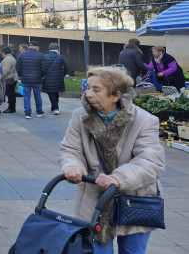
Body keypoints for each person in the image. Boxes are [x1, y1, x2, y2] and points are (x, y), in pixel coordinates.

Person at [59, 67, 165, 253]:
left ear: (116, 95)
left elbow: (151, 162)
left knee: (133, 251)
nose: (88, 94)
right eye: (88, 87)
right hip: (96, 200)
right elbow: (71, 149)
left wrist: (118, 178)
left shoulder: (145, 120)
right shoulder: (80, 116)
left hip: (135, 199)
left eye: (96, 89)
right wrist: (72, 165)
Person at [17, 40, 45, 119]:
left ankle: (27, 113)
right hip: (37, 79)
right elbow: (44, 68)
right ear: (36, 47)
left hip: (25, 79)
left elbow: (18, 67)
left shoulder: (21, 55)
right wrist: (41, 75)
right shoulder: (40, 56)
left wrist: (21, 75)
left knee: (26, 96)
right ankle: (39, 111)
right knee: (38, 96)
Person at [42, 42, 68, 115]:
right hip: (58, 78)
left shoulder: (45, 57)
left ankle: (55, 107)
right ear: (57, 49)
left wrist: (43, 75)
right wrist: (63, 74)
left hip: (48, 78)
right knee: (56, 92)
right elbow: (66, 68)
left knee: (51, 92)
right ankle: (54, 107)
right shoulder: (60, 57)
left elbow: (42, 68)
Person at [0, 46, 18, 113]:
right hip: (12, 78)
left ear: (3, 52)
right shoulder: (11, 58)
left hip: (9, 78)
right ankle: (12, 107)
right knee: (12, 94)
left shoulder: (7, 60)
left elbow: (5, 70)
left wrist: (0, 77)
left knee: (10, 94)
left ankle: (11, 108)